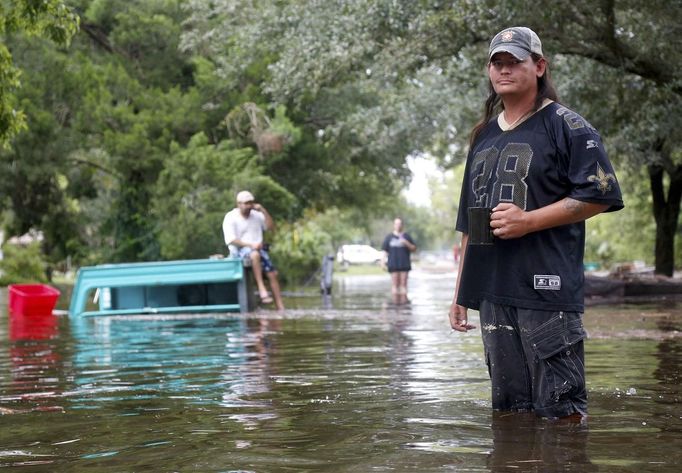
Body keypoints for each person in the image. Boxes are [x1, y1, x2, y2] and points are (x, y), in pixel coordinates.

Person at [448, 27, 623, 420]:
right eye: (498, 63)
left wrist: (528, 221)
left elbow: (600, 195)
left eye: (515, 61)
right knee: (508, 416)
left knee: (561, 416)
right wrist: (462, 291)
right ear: (489, 71)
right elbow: (473, 219)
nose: (504, 70)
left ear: (539, 66)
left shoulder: (567, 126)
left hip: (547, 291)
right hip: (493, 293)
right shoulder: (483, 137)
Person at [223, 190, 284, 310]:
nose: (248, 206)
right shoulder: (230, 217)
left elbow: (271, 227)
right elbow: (231, 240)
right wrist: (251, 245)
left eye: (250, 203)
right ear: (238, 204)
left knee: (272, 273)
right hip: (239, 251)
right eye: (245, 203)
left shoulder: (257, 215)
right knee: (255, 254)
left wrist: (263, 210)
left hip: (259, 251)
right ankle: (262, 289)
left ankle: (280, 307)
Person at [381, 218, 417, 302]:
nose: (398, 225)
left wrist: (406, 243)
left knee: (403, 285)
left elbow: (414, 249)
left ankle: (404, 305)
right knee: (394, 285)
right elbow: (385, 251)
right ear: (394, 225)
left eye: (399, 224)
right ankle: (395, 304)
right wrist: (382, 262)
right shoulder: (389, 237)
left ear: (402, 225)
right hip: (393, 264)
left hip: (404, 264)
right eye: (396, 224)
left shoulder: (406, 236)